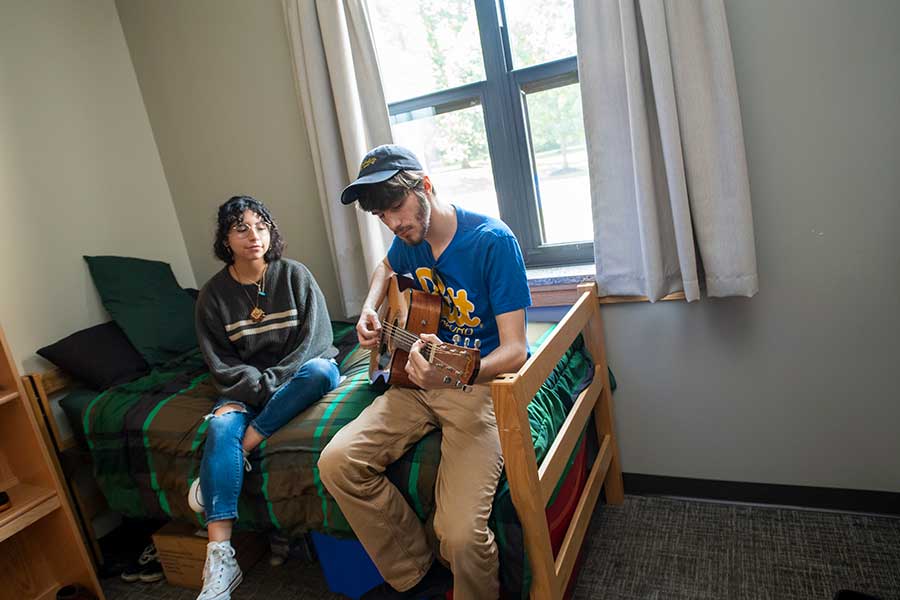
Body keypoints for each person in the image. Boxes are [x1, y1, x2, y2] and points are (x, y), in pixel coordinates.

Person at [318, 145, 531, 600]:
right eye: (382, 216)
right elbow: (384, 267)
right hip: (413, 385)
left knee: (459, 535)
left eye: (396, 207)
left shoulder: (492, 241)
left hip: (475, 391)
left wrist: (455, 375)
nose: (394, 223)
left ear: (426, 187)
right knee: (336, 463)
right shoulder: (408, 242)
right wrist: (369, 309)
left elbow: (516, 352)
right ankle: (417, 576)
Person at [189, 195, 340, 600]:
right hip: (245, 388)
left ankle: (244, 448)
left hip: (296, 376)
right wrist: (259, 385)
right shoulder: (213, 295)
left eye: (260, 226)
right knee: (221, 425)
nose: (253, 236)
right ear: (225, 239)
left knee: (324, 371)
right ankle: (220, 559)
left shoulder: (295, 276)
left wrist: (274, 378)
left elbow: (316, 342)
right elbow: (218, 360)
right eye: (241, 228)